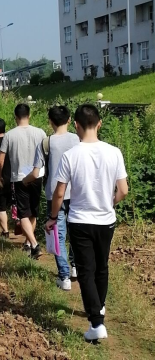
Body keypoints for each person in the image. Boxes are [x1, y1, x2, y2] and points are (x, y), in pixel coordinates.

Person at [46, 104, 128, 342]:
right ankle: (99, 307)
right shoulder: (114, 152)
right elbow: (123, 190)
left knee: (85, 271)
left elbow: (59, 193)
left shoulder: (71, 155)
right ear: (99, 124)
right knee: (101, 267)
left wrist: (53, 218)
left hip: (80, 221)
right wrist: (110, 203)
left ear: (76, 125)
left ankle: (96, 322)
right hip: (106, 221)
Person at [23, 105, 79, 289]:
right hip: (77, 192)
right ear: (69, 120)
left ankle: (64, 277)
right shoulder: (78, 139)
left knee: (58, 235)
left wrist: (24, 181)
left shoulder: (46, 143)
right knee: (76, 232)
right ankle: (75, 267)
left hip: (54, 194)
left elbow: (36, 172)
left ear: (50, 122)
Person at [0, 103, 46, 259]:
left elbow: (0, 160)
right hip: (37, 176)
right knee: (33, 212)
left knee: (23, 213)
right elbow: (47, 154)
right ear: (29, 115)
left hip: (19, 178)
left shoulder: (9, 135)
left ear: (15, 117)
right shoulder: (40, 133)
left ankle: (34, 244)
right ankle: (28, 243)